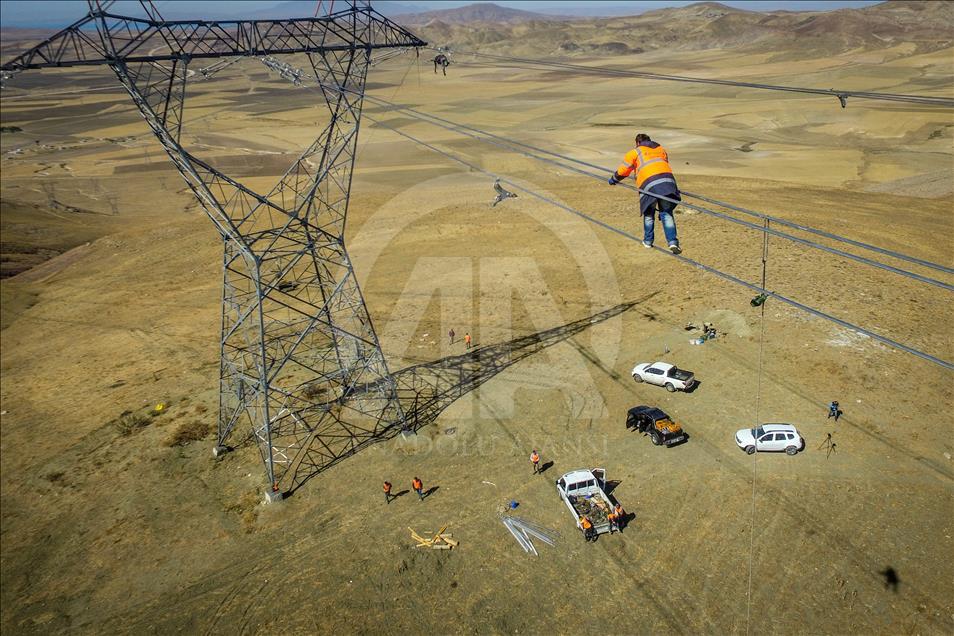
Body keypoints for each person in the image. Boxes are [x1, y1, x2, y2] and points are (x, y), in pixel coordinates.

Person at [608, 133, 682, 254]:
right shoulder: (661, 149)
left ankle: (648, 241)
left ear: (637, 143)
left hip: (649, 184)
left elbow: (623, 170)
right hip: (668, 183)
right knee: (667, 213)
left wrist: (614, 179)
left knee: (649, 213)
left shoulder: (635, 152)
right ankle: (673, 242)